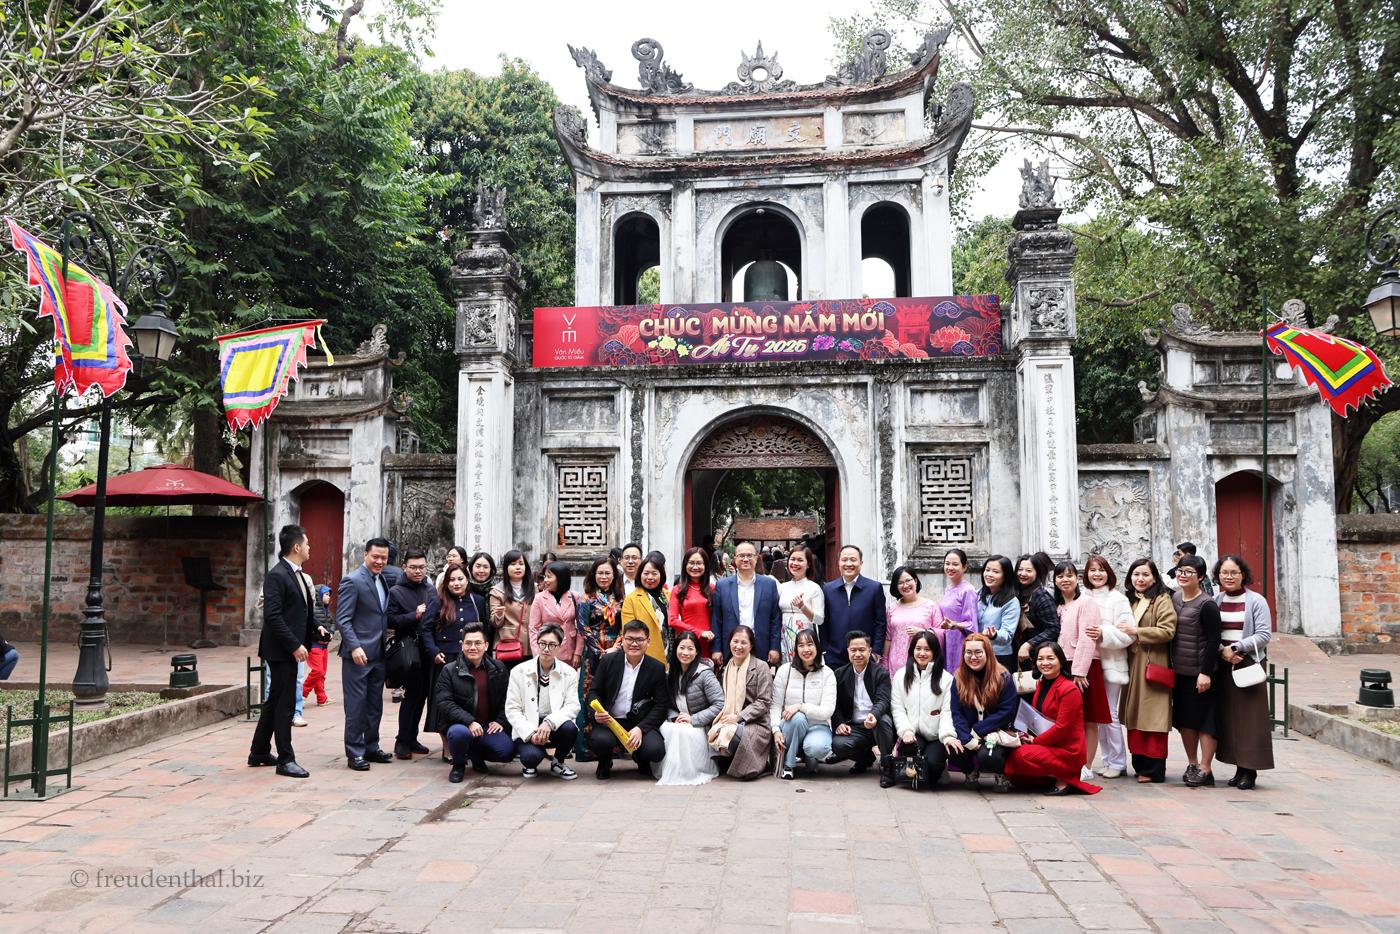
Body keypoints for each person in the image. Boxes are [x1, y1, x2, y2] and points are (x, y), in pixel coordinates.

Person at [249, 524, 314, 778]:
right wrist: (295, 645)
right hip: (281, 651)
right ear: (296, 547)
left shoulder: (295, 573)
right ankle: (286, 760)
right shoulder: (278, 575)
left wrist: (317, 629)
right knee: (285, 705)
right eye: (307, 544)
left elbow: (298, 611)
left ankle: (259, 752)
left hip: (288, 648)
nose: (310, 548)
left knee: (275, 699)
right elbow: (273, 616)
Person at [1005, 643, 1103, 795]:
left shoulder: (1069, 689)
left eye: (1050, 658)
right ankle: (1051, 777)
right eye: (1040, 659)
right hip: (1050, 743)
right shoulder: (1042, 683)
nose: (1045, 663)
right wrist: (1024, 734)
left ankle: (1065, 778)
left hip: (1067, 750)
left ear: (1061, 661)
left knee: (1020, 755)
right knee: (1015, 751)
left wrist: (1035, 741)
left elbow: (1061, 728)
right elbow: (1036, 717)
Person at [1213, 554, 1274, 790]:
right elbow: (1209, 633)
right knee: (1229, 718)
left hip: (1247, 662)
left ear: (1243, 575)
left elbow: (1264, 635)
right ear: (1218, 576)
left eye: (1234, 573)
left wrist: (1236, 648)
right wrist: (1222, 651)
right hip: (1224, 664)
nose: (1229, 577)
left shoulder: (1256, 601)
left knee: (1250, 719)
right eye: (1224, 573)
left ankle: (1250, 770)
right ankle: (1238, 766)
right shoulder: (1216, 600)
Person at [337, 537, 396, 771]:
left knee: (374, 704)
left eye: (384, 558)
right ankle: (354, 752)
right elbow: (342, 619)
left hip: (378, 653)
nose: (380, 561)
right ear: (365, 555)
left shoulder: (382, 580)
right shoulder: (352, 581)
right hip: (357, 655)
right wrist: (354, 646)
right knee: (355, 705)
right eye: (376, 557)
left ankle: (371, 746)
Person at [1120, 557, 1178, 783]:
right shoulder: (1130, 600)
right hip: (1132, 664)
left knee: (1153, 718)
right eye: (1136, 574)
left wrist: (1138, 632)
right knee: (1134, 715)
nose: (1140, 579)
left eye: (1145, 574)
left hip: (1152, 662)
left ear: (1155, 577)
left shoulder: (1161, 600)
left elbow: (1167, 630)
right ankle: (1140, 765)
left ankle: (1154, 769)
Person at [587, 619, 669, 779]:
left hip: (639, 722)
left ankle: (641, 757)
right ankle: (604, 762)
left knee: (655, 751)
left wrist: (641, 729)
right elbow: (594, 692)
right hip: (611, 721)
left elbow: (661, 705)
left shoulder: (657, 668)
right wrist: (595, 713)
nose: (634, 644)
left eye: (639, 640)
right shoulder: (608, 661)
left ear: (648, 642)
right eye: (629, 639)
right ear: (622, 640)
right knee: (600, 742)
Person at [1052, 561, 1110, 784]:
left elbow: (1088, 638)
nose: (1065, 580)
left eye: (1069, 575)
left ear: (1077, 578)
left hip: (1083, 666)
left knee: (1088, 717)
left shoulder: (1087, 602)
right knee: (1065, 717)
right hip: (1060, 665)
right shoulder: (1057, 605)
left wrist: (1079, 672)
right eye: (1060, 576)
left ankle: (1086, 765)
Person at [436, 621, 512, 782]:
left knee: (506, 752)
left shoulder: (498, 668)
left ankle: (475, 753)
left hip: (486, 725)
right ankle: (458, 764)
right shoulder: (449, 671)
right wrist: (469, 721)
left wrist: (499, 720)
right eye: (468, 643)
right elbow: (445, 703)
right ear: (462, 645)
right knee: (459, 734)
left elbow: (508, 698)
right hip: (459, 724)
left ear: (486, 645)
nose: (473, 647)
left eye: (478, 643)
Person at [504, 622, 580, 780]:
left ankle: (558, 763)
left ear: (560, 646)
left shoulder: (569, 673)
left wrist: (549, 722)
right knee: (531, 759)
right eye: (543, 644)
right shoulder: (518, 671)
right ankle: (531, 761)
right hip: (529, 727)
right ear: (536, 644)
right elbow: (512, 709)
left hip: (553, 726)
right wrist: (531, 733)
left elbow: (573, 706)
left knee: (570, 728)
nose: (546, 649)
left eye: (552, 645)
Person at [1171, 554, 1222, 786]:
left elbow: (1213, 641)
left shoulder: (1207, 604)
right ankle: (1192, 762)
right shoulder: (1175, 598)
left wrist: (1206, 672)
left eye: (1189, 571)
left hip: (1200, 674)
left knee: (1204, 722)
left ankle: (1206, 768)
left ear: (1200, 576)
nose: (1183, 575)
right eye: (1180, 570)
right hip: (1179, 672)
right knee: (1186, 721)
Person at [945, 632, 1018, 792]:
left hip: (996, 733)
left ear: (988, 653)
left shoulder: (1003, 677)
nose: (973, 657)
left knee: (987, 756)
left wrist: (977, 731)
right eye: (968, 652)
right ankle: (970, 772)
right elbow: (957, 713)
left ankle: (1001, 774)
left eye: (978, 652)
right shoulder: (958, 678)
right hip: (970, 733)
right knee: (954, 751)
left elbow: (1006, 712)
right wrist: (967, 738)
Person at [424, 564, 483, 759]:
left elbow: (486, 631)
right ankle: (447, 749)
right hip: (444, 660)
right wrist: (433, 651)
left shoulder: (478, 602)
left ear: (467, 580)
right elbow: (425, 629)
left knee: (469, 703)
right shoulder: (438, 602)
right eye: (452, 580)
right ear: (446, 582)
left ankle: (468, 745)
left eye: (460, 579)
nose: (456, 583)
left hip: (471, 659)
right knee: (443, 704)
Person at [1082, 556, 1132, 778]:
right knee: (1096, 715)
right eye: (1092, 570)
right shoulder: (1083, 597)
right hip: (1088, 663)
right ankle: (1105, 759)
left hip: (1111, 663)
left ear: (1109, 573)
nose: (1097, 574)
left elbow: (1128, 634)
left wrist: (1104, 633)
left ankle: (1118, 762)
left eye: (1101, 570)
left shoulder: (1118, 599)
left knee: (1110, 714)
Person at [388, 549, 440, 759]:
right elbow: (390, 621)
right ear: (404, 567)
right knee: (412, 695)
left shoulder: (431, 589)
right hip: (409, 650)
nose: (418, 571)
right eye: (413, 567)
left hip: (428, 649)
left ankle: (412, 737)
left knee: (423, 695)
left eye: (422, 567)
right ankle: (401, 740)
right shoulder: (396, 591)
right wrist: (414, 615)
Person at [654, 630, 723, 786]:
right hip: (680, 722)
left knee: (683, 731)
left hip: (701, 726)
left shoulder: (705, 674)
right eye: (682, 647)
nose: (685, 652)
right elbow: (668, 704)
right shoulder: (670, 673)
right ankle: (675, 771)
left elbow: (719, 704)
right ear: (676, 649)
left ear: (697, 651)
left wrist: (693, 719)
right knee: (668, 728)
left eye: (690, 648)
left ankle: (690, 771)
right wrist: (675, 717)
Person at [830, 630, 896, 787]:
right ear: (848, 651)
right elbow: (835, 704)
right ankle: (865, 758)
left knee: (883, 720)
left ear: (870, 651)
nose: (857, 654)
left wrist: (873, 715)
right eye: (853, 650)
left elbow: (883, 700)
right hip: (855, 727)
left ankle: (887, 766)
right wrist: (839, 723)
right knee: (838, 745)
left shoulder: (881, 673)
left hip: (877, 726)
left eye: (862, 649)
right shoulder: (840, 674)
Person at [708, 625, 775, 780]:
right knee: (716, 729)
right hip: (729, 716)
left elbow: (764, 701)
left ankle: (755, 764)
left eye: (744, 643)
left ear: (751, 646)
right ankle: (731, 760)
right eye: (735, 641)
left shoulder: (761, 666)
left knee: (731, 734)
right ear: (729, 643)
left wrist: (738, 717)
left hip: (756, 722)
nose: (739, 646)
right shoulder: (725, 668)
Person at [891, 630, 953, 790]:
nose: (922, 653)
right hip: (914, 733)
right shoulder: (900, 676)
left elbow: (947, 712)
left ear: (935, 651)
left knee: (931, 771)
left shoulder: (946, 679)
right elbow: (898, 708)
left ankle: (939, 768)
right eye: (918, 648)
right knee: (909, 751)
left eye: (927, 649)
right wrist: (906, 731)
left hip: (936, 735)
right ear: (912, 650)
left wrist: (946, 736)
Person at [771, 628, 837, 779]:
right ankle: (789, 765)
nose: (805, 649)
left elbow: (827, 711)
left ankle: (810, 756)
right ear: (796, 649)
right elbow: (775, 706)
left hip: (817, 726)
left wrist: (801, 706)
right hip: (790, 726)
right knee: (798, 718)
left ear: (817, 647)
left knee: (818, 747)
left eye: (810, 644)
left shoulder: (827, 673)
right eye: (801, 645)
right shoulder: (784, 671)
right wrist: (775, 730)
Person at [711, 541, 782, 666]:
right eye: (741, 556)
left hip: (761, 645)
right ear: (735, 559)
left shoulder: (769, 584)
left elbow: (775, 618)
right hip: (731, 646)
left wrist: (775, 647)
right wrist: (716, 649)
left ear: (756, 558)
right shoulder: (722, 586)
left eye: (749, 555)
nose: (745, 559)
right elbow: (717, 619)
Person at [820, 545, 888, 668]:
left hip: (864, 656)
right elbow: (824, 623)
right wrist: (826, 651)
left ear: (861, 563)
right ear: (839, 562)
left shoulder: (874, 588)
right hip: (835, 657)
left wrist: (876, 653)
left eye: (853, 559)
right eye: (844, 560)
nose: (849, 564)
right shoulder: (828, 589)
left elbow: (880, 623)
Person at [884, 566, 944, 676]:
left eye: (908, 580)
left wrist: (923, 632)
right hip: (896, 664)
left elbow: (942, 633)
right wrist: (885, 662)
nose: (905, 585)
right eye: (900, 582)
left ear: (915, 581)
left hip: (923, 662)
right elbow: (888, 638)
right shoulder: (892, 607)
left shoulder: (930, 606)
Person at [529, 561, 583, 670]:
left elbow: (581, 627)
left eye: (549, 577)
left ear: (560, 578)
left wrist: (578, 652)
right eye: (545, 576)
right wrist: (537, 654)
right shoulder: (539, 598)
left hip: (569, 650)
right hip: (547, 651)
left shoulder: (575, 596)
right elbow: (534, 628)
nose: (545, 580)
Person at [777, 545, 825, 661]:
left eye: (800, 560)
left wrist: (802, 607)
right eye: (792, 559)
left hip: (805, 641)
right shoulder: (782, 587)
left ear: (809, 564)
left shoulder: (814, 588)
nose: (795, 563)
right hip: (784, 639)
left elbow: (819, 619)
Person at [1014, 554, 1061, 670]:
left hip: (1039, 659)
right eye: (1020, 569)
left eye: (1028, 570)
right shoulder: (1016, 595)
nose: (1023, 573)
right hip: (1019, 658)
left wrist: (1029, 645)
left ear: (1037, 574)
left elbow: (1053, 628)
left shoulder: (1041, 596)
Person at [621, 555, 670, 663]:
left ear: (661, 575)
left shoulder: (669, 596)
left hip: (672, 656)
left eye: (654, 573)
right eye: (646, 573)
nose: (650, 577)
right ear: (640, 575)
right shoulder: (631, 599)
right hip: (646, 656)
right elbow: (629, 631)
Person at [669, 547, 717, 657]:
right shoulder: (678, 590)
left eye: (699, 563)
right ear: (685, 565)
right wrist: (700, 632)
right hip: (688, 643)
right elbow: (672, 620)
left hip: (710, 643)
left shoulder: (713, 589)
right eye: (691, 563)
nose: (695, 567)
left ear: (705, 565)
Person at [937, 549, 980, 673]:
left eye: (955, 564)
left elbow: (972, 625)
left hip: (960, 643)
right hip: (946, 642)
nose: (950, 567)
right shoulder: (948, 589)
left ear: (964, 567)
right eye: (947, 563)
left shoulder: (968, 590)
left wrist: (954, 625)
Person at [489, 550, 533, 668]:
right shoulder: (497, 591)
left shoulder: (535, 589)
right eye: (513, 564)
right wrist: (499, 615)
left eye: (521, 563)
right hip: (508, 646)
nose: (517, 567)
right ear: (506, 568)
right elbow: (494, 622)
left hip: (531, 646)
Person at [977, 556, 1020, 671]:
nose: (989, 574)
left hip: (999, 657)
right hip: (977, 653)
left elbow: (1008, 635)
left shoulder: (1011, 602)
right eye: (987, 570)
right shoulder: (977, 595)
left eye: (995, 572)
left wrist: (994, 634)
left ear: (1005, 577)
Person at [302, 586, 334, 706]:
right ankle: (302, 693)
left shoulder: (327, 610)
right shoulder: (312, 611)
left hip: (324, 646)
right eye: (326, 594)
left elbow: (331, 622)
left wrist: (330, 633)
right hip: (314, 645)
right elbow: (307, 626)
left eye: (329, 594)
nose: (329, 597)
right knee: (317, 670)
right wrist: (316, 636)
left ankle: (321, 698)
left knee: (322, 673)